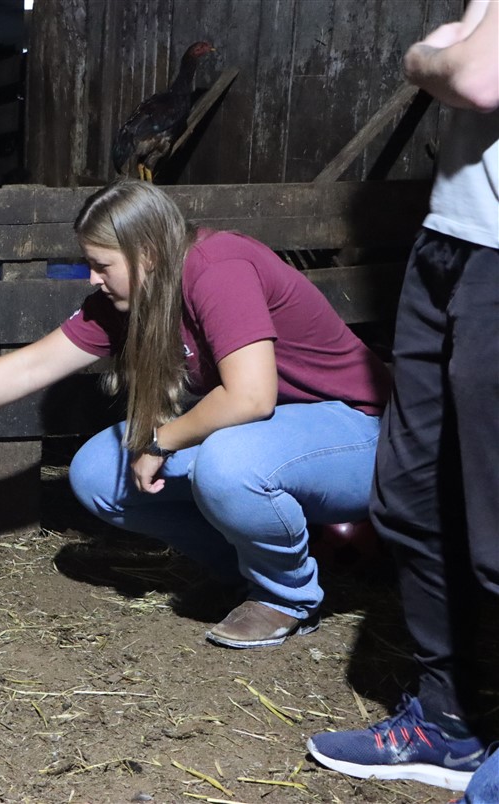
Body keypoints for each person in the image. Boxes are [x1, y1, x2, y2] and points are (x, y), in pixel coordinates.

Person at [0, 178, 391, 649]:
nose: (92, 279)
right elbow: (31, 365)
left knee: (227, 462)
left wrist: (161, 439)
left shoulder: (217, 267)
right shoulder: (126, 300)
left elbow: (251, 398)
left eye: (100, 264)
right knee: (97, 471)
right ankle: (242, 574)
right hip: (270, 441)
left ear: (148, 253)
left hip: (360, 435)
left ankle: (287, 598)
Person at [307, 0, 499, 793]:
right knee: (410, 498)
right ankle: (445, 723)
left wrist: (427, 59)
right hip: (451, 235)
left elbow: (476, 75)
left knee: (495, 532)